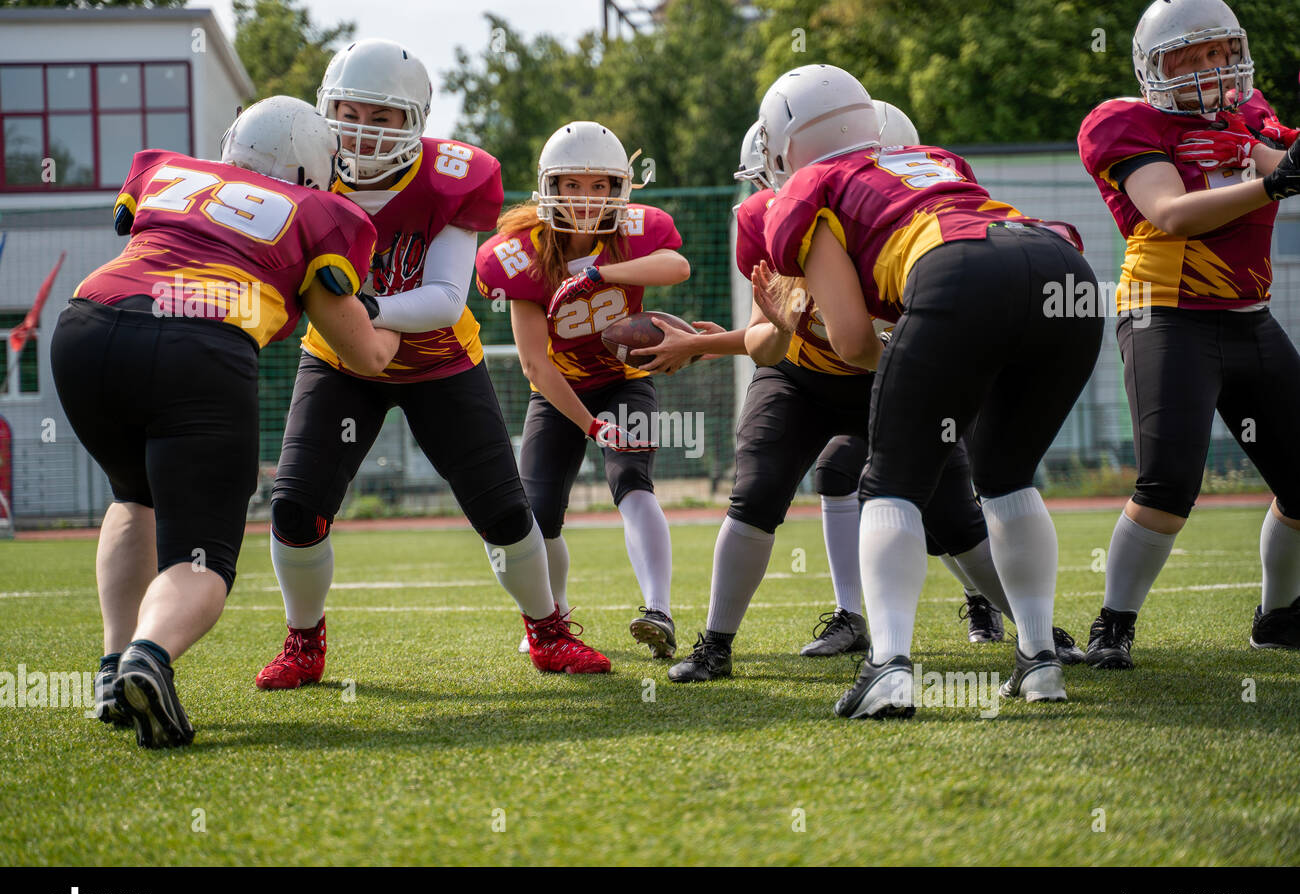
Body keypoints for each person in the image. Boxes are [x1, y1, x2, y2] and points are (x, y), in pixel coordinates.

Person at [670, 107, 1083, 683]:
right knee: (758, 492)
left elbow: (887, 334)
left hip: (879, 373)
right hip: (802, 377)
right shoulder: (781, 215)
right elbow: (768, 345)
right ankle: (716, 643)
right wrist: (782, 325)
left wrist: (932, 370)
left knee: (958, 521)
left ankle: (1034, 633)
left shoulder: (874, 214)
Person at [255, 40, 611, 686]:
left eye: (382, 116)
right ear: (325, 109)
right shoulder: (303, 168)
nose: (361, 130)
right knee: (294, 507)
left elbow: (446, 300)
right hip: (340, 361)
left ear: (414, 120)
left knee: (505, 513)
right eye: (350, 111)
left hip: (439, 361)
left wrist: (363, 311)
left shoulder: (453, 175)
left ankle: (548, 630)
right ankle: (303, 641)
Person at [51, 96, 401, 747]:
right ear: (317, 169)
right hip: (198, 344)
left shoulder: (173, 173)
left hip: (87, 327)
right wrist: (389, 324)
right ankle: (147, 657)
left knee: (134, 494)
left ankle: (110, 669)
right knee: (202, 557)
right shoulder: (318, 209)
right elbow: (365, 354)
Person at [760, 64, 1104, 717]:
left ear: (785, 143)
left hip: (960, 272)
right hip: (1062, 268)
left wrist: (902, 355)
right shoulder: (928, 159)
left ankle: (888, 667)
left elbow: (857, 339)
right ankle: (1039, 661)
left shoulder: (808, 188)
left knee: (890, 482)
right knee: (1006, 477)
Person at [1078, 0, 1300, 667]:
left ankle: (1279, 614)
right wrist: (1275, 182)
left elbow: (1277, 161)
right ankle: (1112, 625)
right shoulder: (1125, 122)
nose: (1212, 67)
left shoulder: (1245, 114)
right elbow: (1172, 213)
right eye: (1193, 55)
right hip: (1167, 314)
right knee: (1169, 481)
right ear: (1155, 66)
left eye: (1220, 51)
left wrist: (1279, 168)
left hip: (1248, 316)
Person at [475, 121, 691, 659]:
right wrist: (590, 425)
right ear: (550, 186)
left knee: (631, 481)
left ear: (620, 189)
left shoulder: (634, 233)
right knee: (539, 511)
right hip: (560, 388)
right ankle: (556, 618)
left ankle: (658, 609)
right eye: (573, 185)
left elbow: (677, 266)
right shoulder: (522, 252)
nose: (587, 198)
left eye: (600, 187)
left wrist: (602, 276)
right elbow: (534, 364)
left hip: (624, 380)